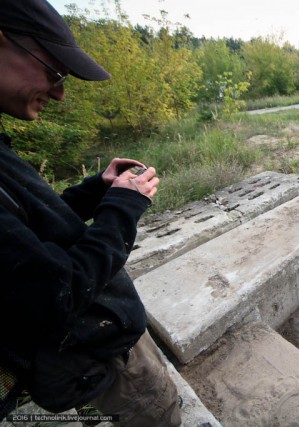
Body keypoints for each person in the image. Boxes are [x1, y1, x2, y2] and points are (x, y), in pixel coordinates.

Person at [0, 0, 181, 424]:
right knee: (159, 412)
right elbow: (56, 294)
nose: (61, 93)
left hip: (91, 340)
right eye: (55, 72)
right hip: (89, 354)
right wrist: (122, 209)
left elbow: (27, 242)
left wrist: (94, 192)